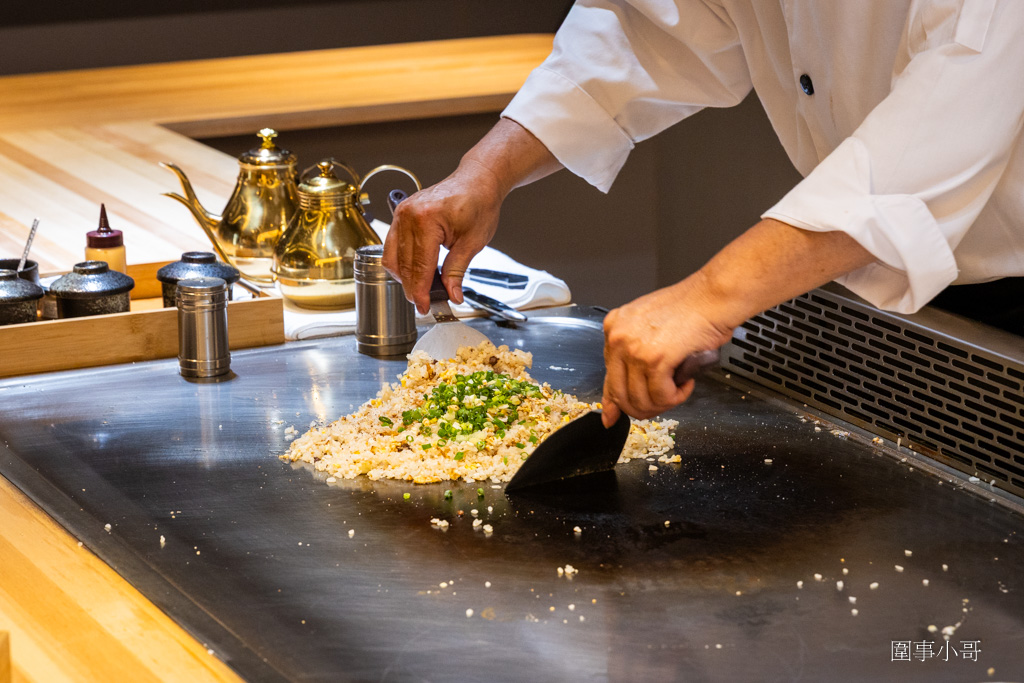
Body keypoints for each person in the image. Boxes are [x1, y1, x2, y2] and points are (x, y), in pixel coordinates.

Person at [383, 1, 1024, 428]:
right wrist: (485, 172)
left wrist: (706, 299)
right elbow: (649, 30)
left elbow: (936, 133)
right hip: (885, 283)